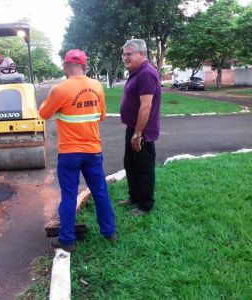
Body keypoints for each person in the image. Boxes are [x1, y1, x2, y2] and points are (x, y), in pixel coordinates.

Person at [39, 49, 117, 252]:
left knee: (69, 195)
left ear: (65, 66)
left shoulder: (60, 90)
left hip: (70, 153)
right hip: (93, 151)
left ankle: (67, 240)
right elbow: (101, 117)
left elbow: (43, 114)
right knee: (100, 192)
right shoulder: (97, 86)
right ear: (85, 66)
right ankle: (110, 233)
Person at [119, 39, 161, 216]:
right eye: (124, 54)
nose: (125, 58)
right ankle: (134, 197)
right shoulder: (136, 72)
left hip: (142, 132)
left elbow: (146, 107)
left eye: (129, 54)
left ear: (142, 54)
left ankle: (145, 205)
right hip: (133, 128)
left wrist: (137, 134)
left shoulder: (146, 73)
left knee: (144, 168)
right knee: (131, 164)